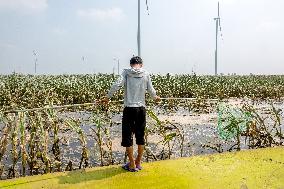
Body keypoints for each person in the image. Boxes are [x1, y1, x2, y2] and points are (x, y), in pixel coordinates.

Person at [102, 56, 160, 172]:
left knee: (128, 137)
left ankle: (132, 164)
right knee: (140, 136)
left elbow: (116, 85)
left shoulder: (126, 72)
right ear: (141, 64)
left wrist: (108, 97)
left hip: (129, 109)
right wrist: (155, 97)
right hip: (141, 109)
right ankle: (138, 162)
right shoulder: (146, 73)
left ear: (131, 64)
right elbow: (151, 90)